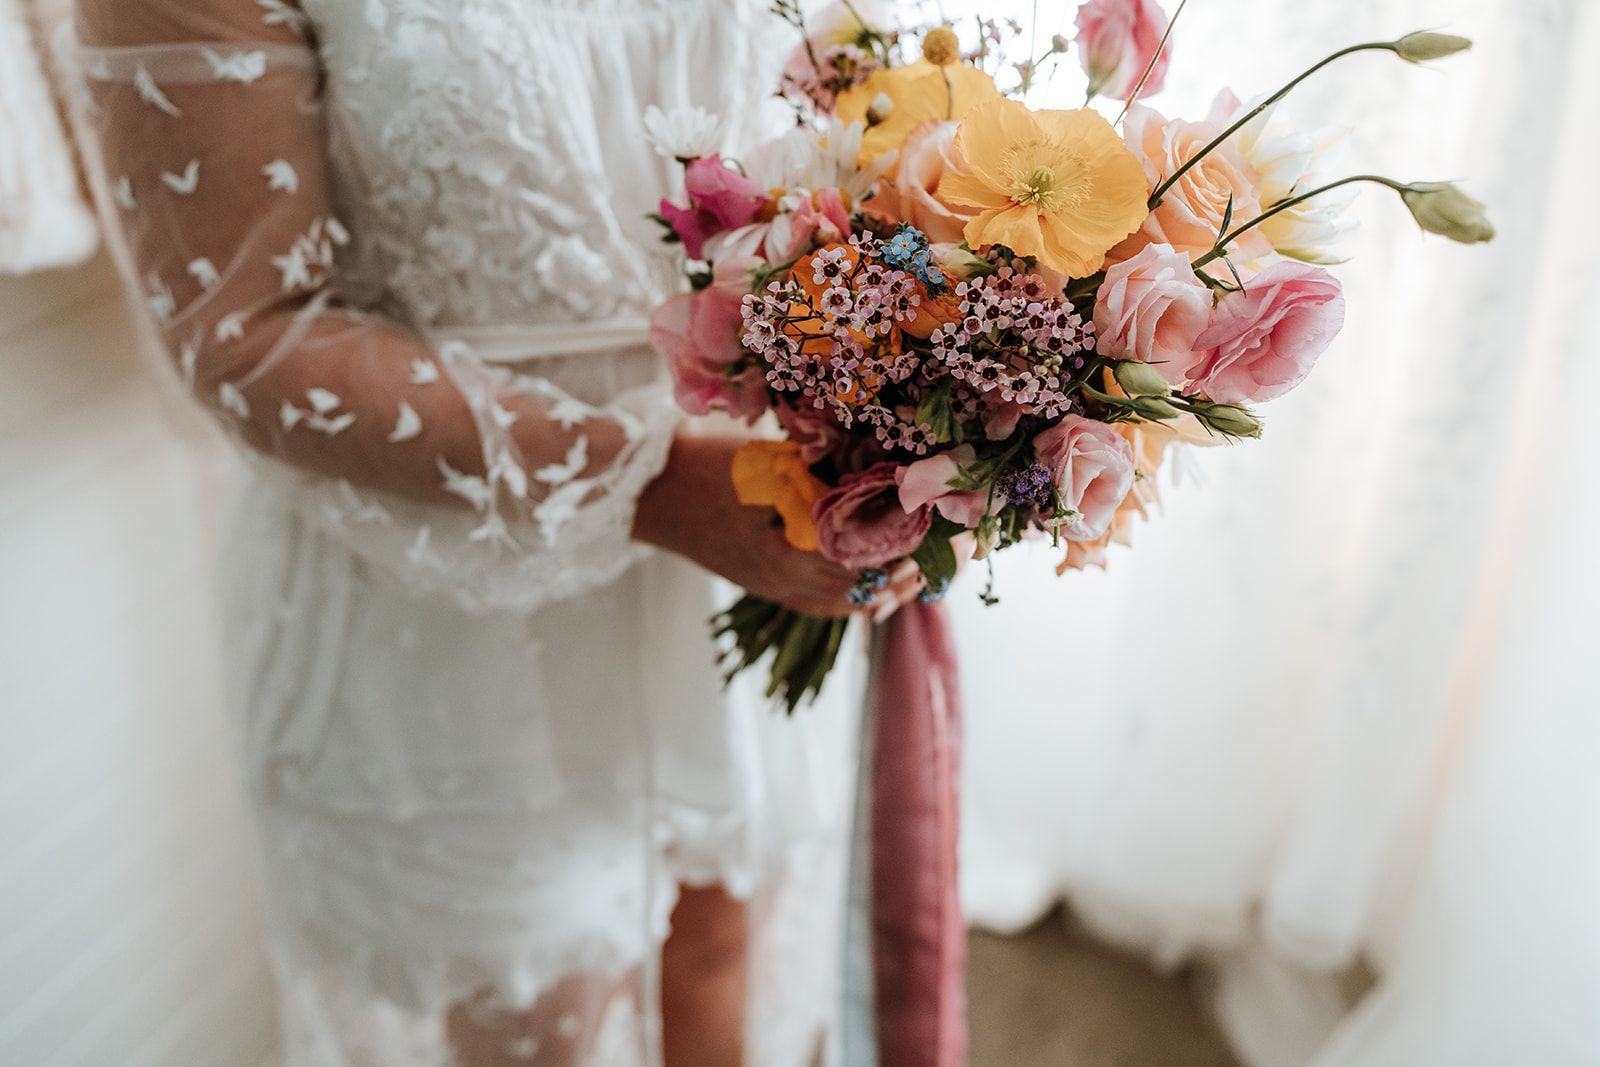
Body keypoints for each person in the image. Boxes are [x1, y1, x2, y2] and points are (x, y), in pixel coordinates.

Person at [70, 1, 916, 1062]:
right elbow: (242, 335)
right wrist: (649, 483)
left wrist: (949, 402)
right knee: (537, 1011)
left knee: (721, 951)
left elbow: (864, 104)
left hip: (756, 516)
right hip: (449, 571)